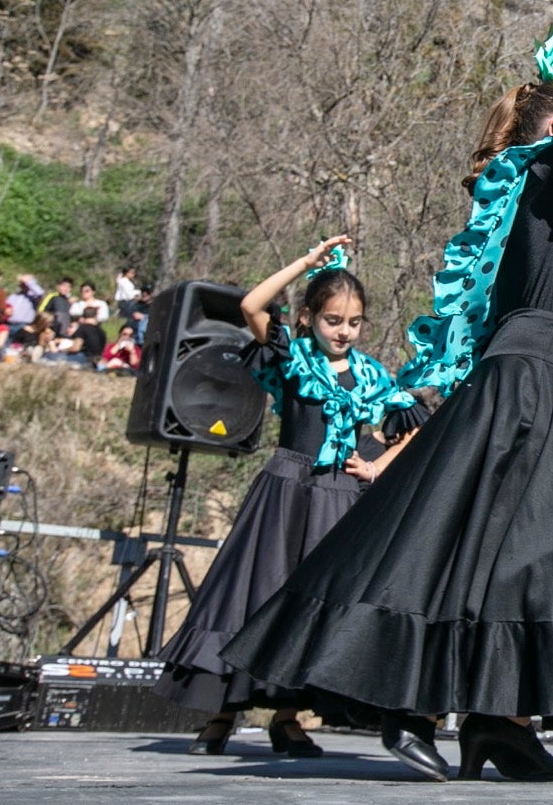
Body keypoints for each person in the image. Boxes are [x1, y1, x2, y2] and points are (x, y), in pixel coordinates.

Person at [221, 38, 553, 784]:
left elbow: (534, 291)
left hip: (544, 373)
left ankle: (497, 723)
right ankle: (413, 704)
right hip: (536, 388)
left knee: (526, 555)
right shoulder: (543, 167)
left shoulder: (537, 193)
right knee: (509, 549)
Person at [155, 237, 426, 756]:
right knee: (256, 594)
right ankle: (221, 716)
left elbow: (411, 429)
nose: (343, 331)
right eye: (332, 320)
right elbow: (250, 306)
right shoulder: (293, 355)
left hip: (337, 497)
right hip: (285, 489)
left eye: (353, 322)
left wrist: (373, 467)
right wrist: (306, 262)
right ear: (308, 318)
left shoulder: (370, 374)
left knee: (315, 603)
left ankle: (287, 717)